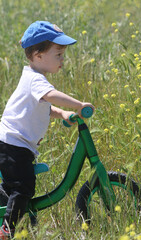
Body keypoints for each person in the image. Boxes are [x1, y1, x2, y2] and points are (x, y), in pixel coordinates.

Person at [0, 21, 94, 239]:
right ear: (38, 55)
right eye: (58, 54)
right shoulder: (35, 80)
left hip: (15, 143)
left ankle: (18, 217)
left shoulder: (33, 79)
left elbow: (44, 106)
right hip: (12, 144)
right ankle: (7, 230)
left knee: (21, 187)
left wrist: (62, 114)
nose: (62, 60)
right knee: (22, 188)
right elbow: (49, 96)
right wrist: (79, 105)